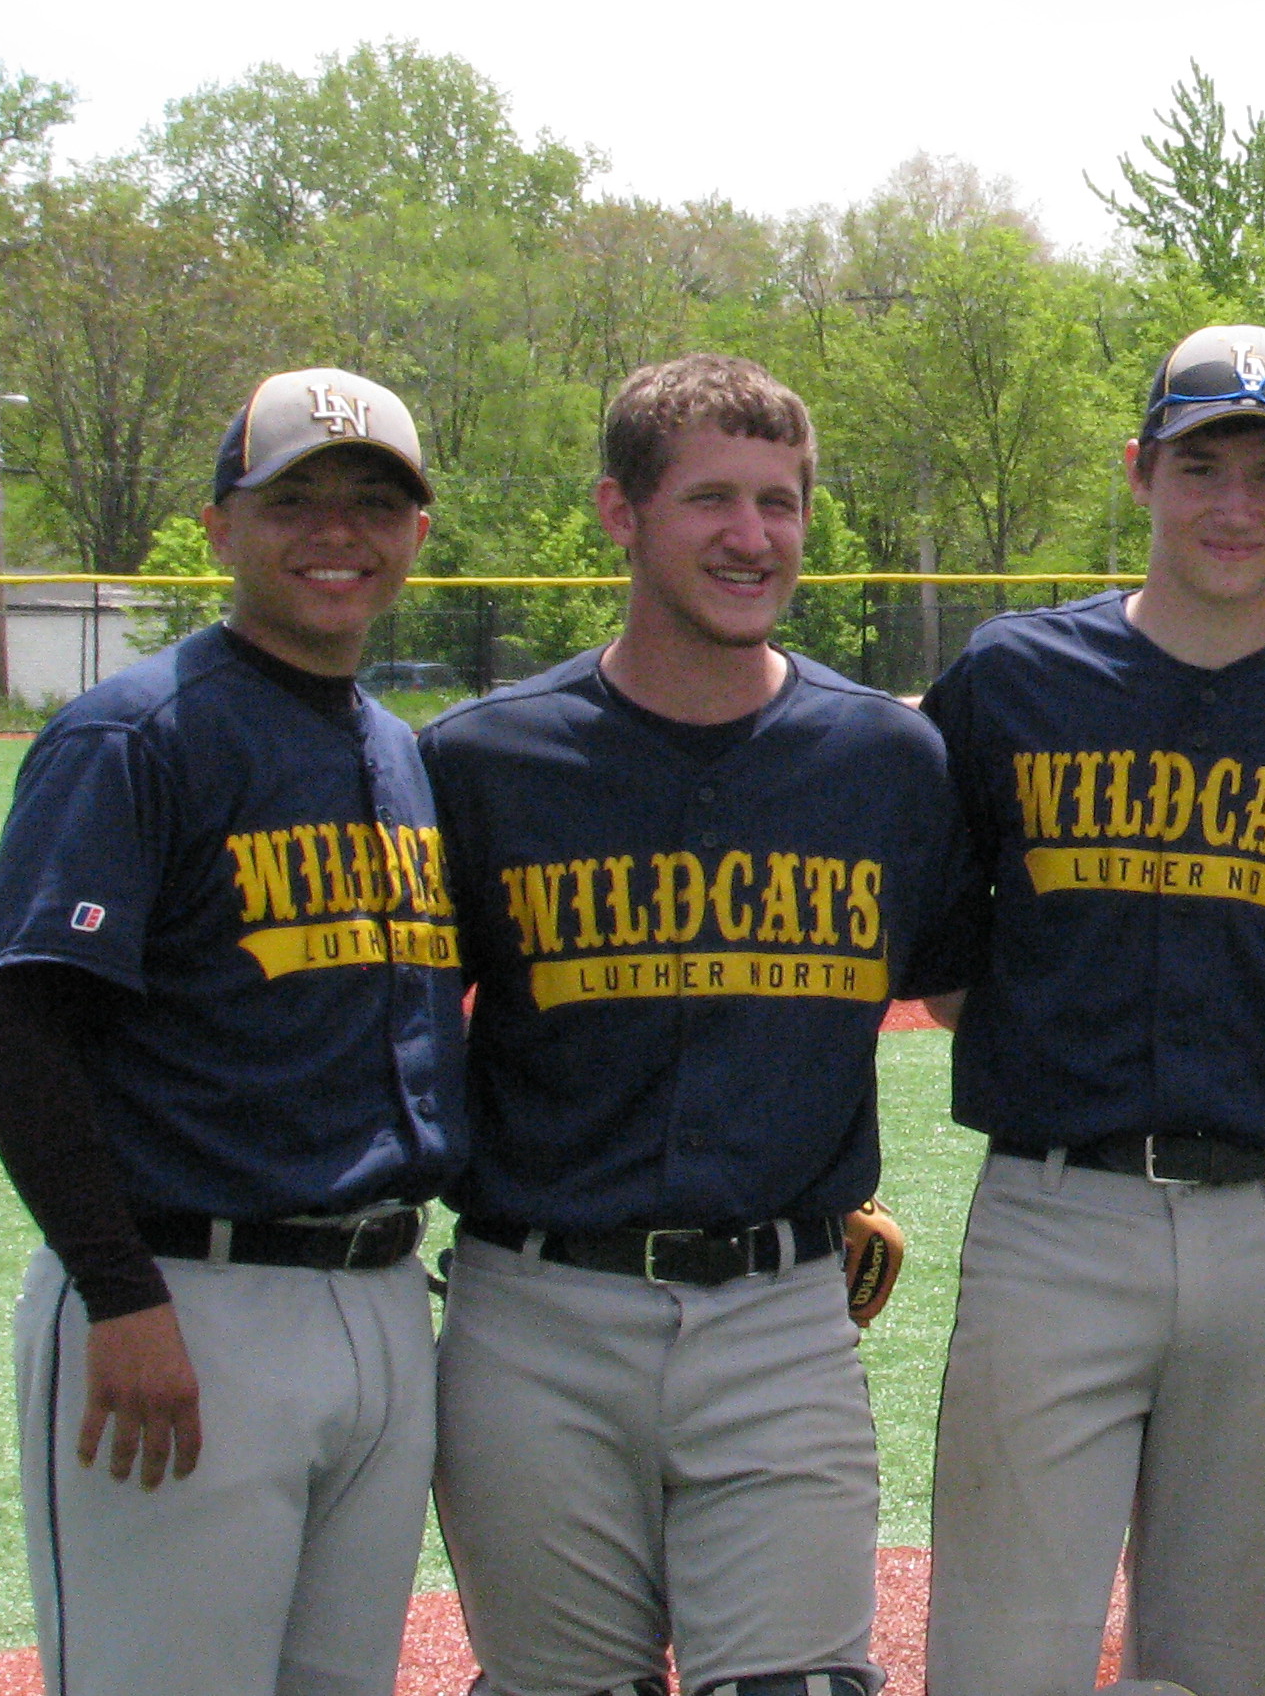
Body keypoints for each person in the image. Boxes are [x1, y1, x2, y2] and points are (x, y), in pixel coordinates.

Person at [420, 354, 971, 1696]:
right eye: (711, 499)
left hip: (781, 1310)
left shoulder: (885, 760)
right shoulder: (483, 760)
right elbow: (384, 1030)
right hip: (532, 1306)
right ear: (621, 512)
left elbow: (981, 986)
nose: (752, 536)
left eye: (779, 501)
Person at [914, 326, 1265, 1696]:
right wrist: (1051, 1042)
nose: (1235, 505)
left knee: (1220, 1660)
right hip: (1056, 1210)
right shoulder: (1014, 678)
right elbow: (934, 937)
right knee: (1004, 1654)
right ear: (1141, 471)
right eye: (1203, 463)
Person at [0, 368, 463, 1696]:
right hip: (186, 1297)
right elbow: (14, 1029)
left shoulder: (397, 750)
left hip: (378, 1297)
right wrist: (120, 1293)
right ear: (218, 527)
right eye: (292, 499)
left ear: (418, 532)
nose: (336, 531)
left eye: (371, 502)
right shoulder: (135, 732)